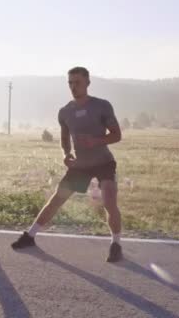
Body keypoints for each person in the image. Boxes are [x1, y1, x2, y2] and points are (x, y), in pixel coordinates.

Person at [11, 67, 124, 262]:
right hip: (79, 165)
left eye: (77, 82)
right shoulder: (65, 112)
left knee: (109, 201)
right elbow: (64, 138)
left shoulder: (102, 106)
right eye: (70, 83)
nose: (73, 86)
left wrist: (95, 141)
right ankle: (30, 236)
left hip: (103, 162)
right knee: (56, 199)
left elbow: (117, 135)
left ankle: (116, 244)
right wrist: (66, 153)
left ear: (88, 83)